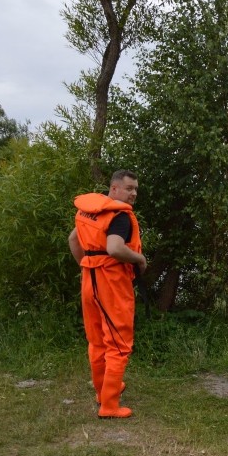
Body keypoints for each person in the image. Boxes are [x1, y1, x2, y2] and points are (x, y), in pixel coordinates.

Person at [68, 170, 147, 419]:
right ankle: (110, 406)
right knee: (119, 343)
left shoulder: (89, 210)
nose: (133, 193)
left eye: (135, 189)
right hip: (112, 282)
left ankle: (103, 390)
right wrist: (139, 259)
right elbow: (114, 248)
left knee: (98, 339)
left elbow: (73, 239)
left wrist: (87, 264)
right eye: (128, 188)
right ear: (113, 189)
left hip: (89, 279)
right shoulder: (120, 216)